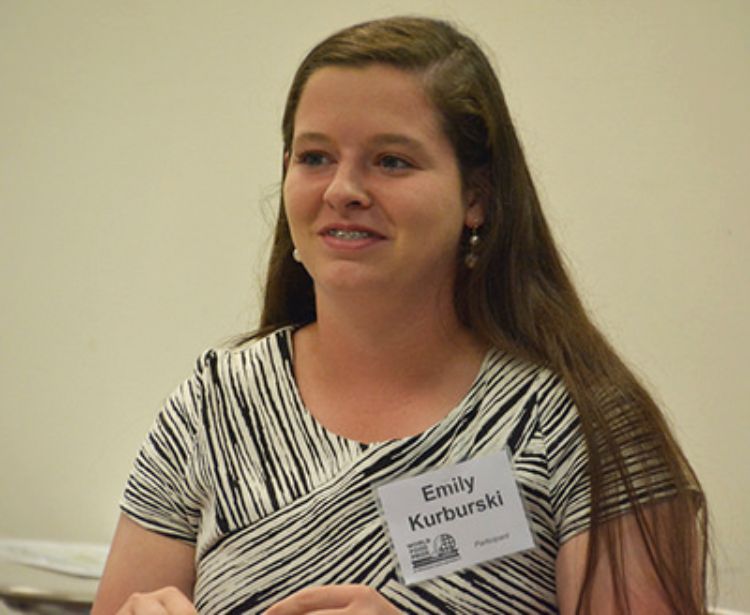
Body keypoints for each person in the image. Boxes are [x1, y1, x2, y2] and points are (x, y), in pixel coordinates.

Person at [92, 16, 707, 615]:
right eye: (314, 158)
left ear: (477, 197)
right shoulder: (215, 403)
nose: (342, 190)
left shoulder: (585, 421)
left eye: (391, 161)